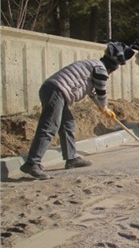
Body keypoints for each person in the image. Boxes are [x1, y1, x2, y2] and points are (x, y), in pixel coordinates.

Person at [20, 42, 132, 180]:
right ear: (112, 68)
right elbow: (101, 92)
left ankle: (71, 158)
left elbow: (92, 93)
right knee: (49, 126)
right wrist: (104, 107)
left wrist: (101, 107)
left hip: (54, 90)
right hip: (56, 91)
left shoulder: (93, 65)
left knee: (68, 124)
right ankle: (32, 163)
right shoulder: (101, 69)